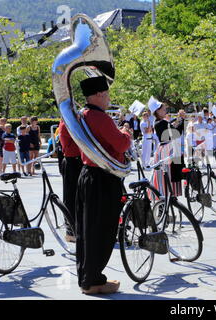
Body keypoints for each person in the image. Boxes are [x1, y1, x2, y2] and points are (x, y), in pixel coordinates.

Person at [75, 76, 132, 295]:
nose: (109, 98)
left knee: (87, 230)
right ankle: (94, 281)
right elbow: (121, 143)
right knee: (102, 230)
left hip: (89, 175)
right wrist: (126, 132)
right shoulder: (99, 117)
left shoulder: (83, 115)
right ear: (98, 95)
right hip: (102, 177)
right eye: (107, 94)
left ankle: (88, 278)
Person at [149, 96, 184, 198]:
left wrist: (178, 119)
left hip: (164, 149)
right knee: (168, 176)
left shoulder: (159, 122)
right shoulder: (162, 123)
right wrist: (181, 119)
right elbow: (176, 132)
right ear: (157, 111)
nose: (166, 111)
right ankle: (166, 201)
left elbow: (171, 125)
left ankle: (164, 203)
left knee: (164, 176)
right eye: (163, 109)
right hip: (167, 150)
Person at [59, 119, 83, 243]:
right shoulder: (67, 122)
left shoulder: (72, 121)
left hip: (78, 161)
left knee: (79, 197)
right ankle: (70, 231)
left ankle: (79, 228)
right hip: (72, 161)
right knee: (71, 197)